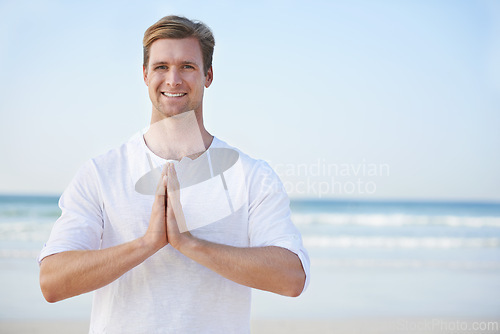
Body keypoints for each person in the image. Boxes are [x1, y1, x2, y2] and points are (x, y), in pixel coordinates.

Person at [39, 15, 310, 333]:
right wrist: (147, 244)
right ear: (144, 74)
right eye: (161, 67)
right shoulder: (101, 173)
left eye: (187, 66)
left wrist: (189, 244)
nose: (173, 79)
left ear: (208, 75)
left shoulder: (251, 176)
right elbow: (52, 282)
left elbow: (292, 278)